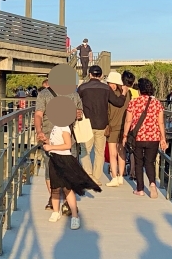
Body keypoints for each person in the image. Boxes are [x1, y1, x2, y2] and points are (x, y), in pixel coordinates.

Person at [42, 99, 100, 230]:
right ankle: (56, 211)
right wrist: (46, 141)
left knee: (67, 188)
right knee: (55, 187)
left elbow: (67, 145)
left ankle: (75, 216)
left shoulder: (64, 128)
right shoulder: (56, 127)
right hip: (54, 158)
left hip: (64, 159)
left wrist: (50, 147)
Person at [34, 78, 83, 203]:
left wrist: (39, 131)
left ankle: (54, 198)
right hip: (67, 138)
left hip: (48, 137)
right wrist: (78, 114)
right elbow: (80, 112)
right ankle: (66, 201)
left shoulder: (43, 94)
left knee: (50, 170)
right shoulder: (73, 93)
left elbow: (38, 114)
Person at [76, 65, 127, 184]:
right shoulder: (106, 88)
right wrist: (124, 93)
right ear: (101, 76)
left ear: (90, 75)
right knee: (99, 153)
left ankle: (88, 174)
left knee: (85, 151)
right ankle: (96, 177)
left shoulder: (82, 88)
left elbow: (75, 102)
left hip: (86, 124)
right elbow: (118, 103)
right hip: (102, 124)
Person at [122, 77, 167, 199]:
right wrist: (163, 138)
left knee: (138, 162)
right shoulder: (157, 103)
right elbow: (161, 122)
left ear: (140, 90)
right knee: (149, 162)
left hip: (138, 137)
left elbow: (128, 120)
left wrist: (125, 135)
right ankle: (152, 184)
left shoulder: (133, 102)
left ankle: (140, 189)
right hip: (153, 137)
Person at [105, 71, 129, 187]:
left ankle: (114, 177)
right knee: (121, 152)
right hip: (124, 126)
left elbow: (107, 111)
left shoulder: (109, 94)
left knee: (112, 153)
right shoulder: (127, 94)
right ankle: (121, 176)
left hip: (112, 125)